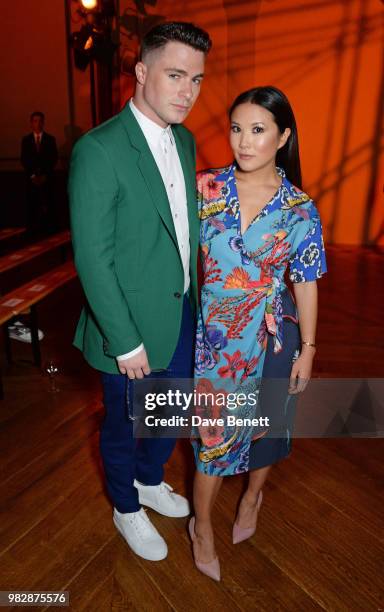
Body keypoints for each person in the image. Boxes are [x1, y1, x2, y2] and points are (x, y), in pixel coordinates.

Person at [69, 22, 212, 562]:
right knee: (127, 424)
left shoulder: (187, 139)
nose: (188, 92)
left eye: (196, 80)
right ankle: (125, 506)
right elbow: (92, 258)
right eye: (176, 75)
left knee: (170, 414)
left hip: (181, 313)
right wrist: (124, 341)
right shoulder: (99, 149)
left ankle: (151, 483)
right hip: (126, 327)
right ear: (142, 72)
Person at [189, 86, 327, 581]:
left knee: (265, 429)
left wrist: (308, 349)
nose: (243, 142)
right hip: (217, 343)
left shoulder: (300, 208)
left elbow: (306, 283)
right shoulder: (204, 188)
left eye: (258, 130)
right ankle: (200, 525)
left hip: (274, 336)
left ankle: (252, 497)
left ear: (283, 136)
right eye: (236, 129)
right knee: (212, 439)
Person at [21, 111, 58, 235]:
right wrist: (32, 175)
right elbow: (24, 159)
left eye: (40, 121)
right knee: (32, 205)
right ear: (31, 123)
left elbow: (53, 158)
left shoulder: (50, 139)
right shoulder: (26, 140)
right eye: (35, 121)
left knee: (48, 204)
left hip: (46, 178)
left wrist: (45, 175)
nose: (38, 123)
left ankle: (48, 229)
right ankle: (32, 231)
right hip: (31, 179)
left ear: (44, 122)